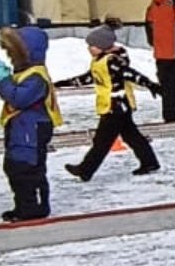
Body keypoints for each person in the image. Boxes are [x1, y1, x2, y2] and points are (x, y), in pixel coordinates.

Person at [66, 25, 162, 180]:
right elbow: (88, 78)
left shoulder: (112, 62)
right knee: (132, 136)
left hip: (116, 106)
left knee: (102, 140)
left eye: (92, 46)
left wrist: (151, 85)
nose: (89, 49)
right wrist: (61, 83)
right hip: (115, 106)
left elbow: (130, 74)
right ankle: (149, 162)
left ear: (102, 46)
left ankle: (85, 170)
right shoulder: (100, 61)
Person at [0, 26, 61, 222]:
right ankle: (24, 205)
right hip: (21, 128)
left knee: (28, 169)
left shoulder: (36, 76)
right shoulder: (26, 73)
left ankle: (35, 207)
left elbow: (19, 98)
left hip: (31, 129)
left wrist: (3, 81)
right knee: (15, 167)